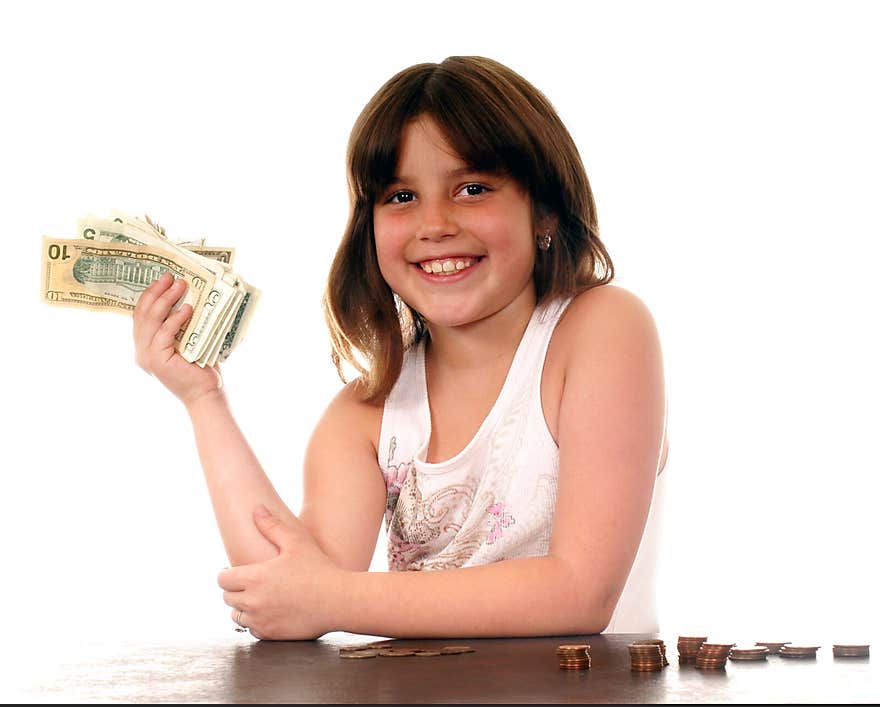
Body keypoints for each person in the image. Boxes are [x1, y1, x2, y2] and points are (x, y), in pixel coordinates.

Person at [132, 55, 668, 641]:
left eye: (472, 188)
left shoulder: (603, 330)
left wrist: (329, 597)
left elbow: (579, 593)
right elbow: (283, 590)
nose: (433, 224)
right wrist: (202, 398)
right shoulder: (366, 413)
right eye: (400, 196)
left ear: (543, 210)